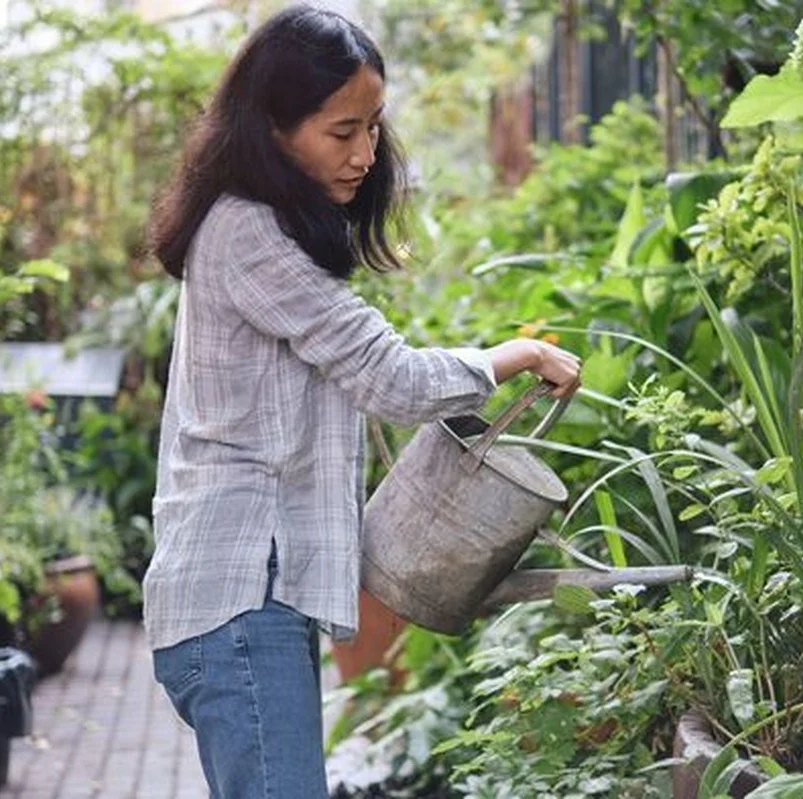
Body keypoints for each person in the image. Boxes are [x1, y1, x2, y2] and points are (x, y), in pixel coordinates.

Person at [141, 6, 582, 798]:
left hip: (248, 602)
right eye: (340, 132)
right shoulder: (246, 234)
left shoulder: (263, 227)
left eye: (373, 127)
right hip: (241, 599)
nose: (365, 153)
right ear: (272, 128)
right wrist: (518, 353)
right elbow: (393, 379)